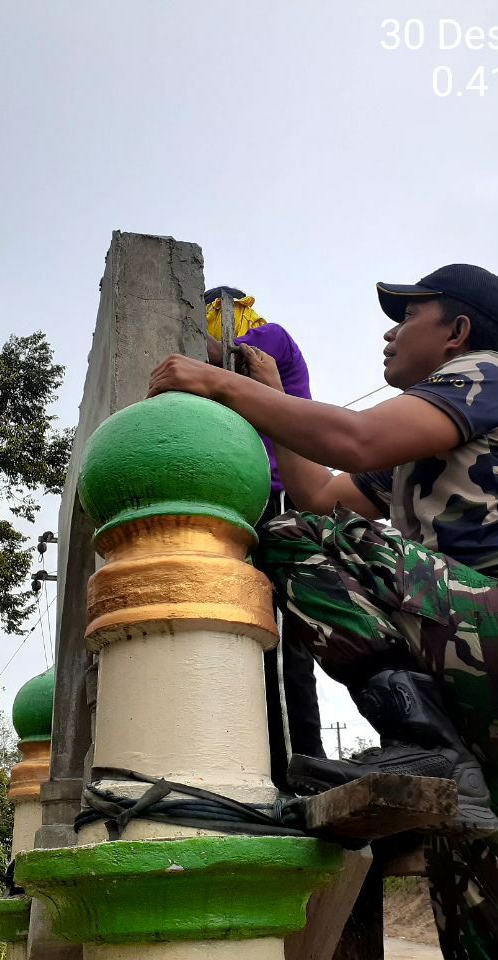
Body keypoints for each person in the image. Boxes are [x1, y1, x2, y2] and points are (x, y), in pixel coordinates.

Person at [151, 264, 498, 960]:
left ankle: (419, 738)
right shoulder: (418, 443)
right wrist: (271, 398)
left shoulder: (483, 375)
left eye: (407, 318)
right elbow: (321, 494)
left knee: (288, 544)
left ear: (455, 332)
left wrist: (216, 382)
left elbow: (347, 455)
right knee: (477, 929)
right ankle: (443, 752)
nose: (390, 334)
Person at [203, 285, 326, 791]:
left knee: (279, 639)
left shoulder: (267, 339)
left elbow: (229, 371)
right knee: (251, 636)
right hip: (251, 499)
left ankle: (299, 768)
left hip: (280, 498)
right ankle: (268, 762)